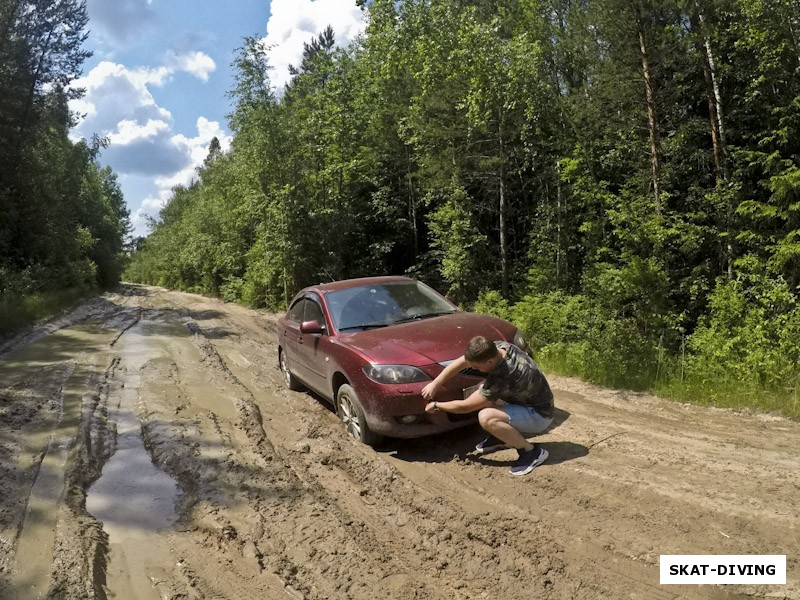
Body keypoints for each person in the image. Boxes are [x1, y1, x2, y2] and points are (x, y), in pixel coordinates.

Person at [421, 335, 555, 476]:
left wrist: (437, 406)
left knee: (486, 417)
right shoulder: (498, 347)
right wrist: (435, 383)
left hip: (539, 414)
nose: (473, 368)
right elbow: (463, 362)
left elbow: (466, 407)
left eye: (477, 366)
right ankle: (504, 436)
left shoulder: (504, 373)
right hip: (525, 400)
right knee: (482, 391)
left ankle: (531, 452)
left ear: (490, 361)